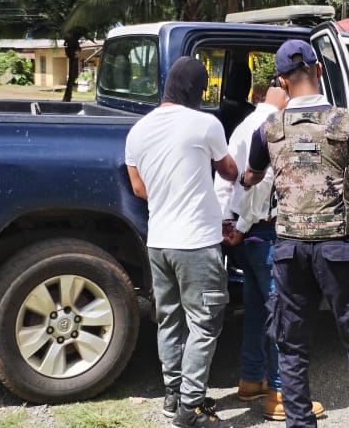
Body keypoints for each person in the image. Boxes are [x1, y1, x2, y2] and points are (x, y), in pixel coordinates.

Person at [243, 39, 349, 428]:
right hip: (341, 249)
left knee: (292, 348)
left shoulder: (268, 129)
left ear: (282, 81)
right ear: (320, 71)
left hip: (290, 251)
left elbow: (250, 178)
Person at [126, 56, 238, 428]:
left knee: (169, 322)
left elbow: (138, 188)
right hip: (196, 243)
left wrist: (169, 193)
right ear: (197, 90)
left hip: (158, 242)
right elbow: (229, 170)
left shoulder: (138, 131)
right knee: (204, 325)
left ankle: (173, 395)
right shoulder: (205, 124)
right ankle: (190, 409)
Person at [215, 77, 327, 422]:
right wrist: (243, 225)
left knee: (256, 311)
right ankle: (281, 395)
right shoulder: (274, 126)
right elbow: (261, 183)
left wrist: (229, 222)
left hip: (246, 236)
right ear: (281, 93)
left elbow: (226, 181)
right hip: (266, 231)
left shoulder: (243, 126)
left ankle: (251, 379)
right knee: (283, 315)